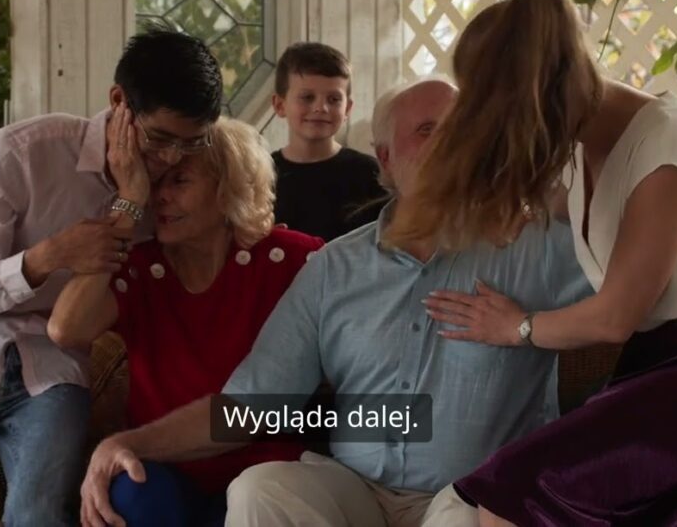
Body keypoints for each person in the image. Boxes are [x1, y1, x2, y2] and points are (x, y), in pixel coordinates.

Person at [77, 75, 598, 527]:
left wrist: (528, 326)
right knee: (260, 489)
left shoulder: (539, 246)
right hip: (356, 492)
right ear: (386, 158)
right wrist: (129, 443)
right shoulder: (334, 268)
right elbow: (252, 408)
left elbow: (638, 287)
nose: (453, 143)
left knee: (471, 514)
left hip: (470, 494)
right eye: (427, 130)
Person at [389, 0, 677, 526]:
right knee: (497, 498)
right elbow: (514, 206)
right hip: (660, 363)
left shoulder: (663, 141)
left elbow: (614, 317)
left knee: (515, 494)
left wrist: (518, 328)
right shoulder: (579, 144)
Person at [0, 27, 223, 526]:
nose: (172, 159)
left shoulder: (170, 195)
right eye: (159, 139)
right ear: (119, 101)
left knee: (40, 516)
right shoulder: (22, 152)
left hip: (53, 367)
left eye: (191, 143)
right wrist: (47, 256)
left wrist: (132, 200)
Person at [48, 116, 323, 527]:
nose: (160, 196)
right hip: (166, 467)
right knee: (130, 491)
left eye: (179, 181)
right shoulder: (140, 268)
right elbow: (65, 329)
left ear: (228, 188)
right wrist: (129, 203)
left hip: (265, 472)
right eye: (154, 183)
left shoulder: (291, 260)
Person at [270, 42, 386, 240]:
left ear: (347, 108)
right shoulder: (260, 176)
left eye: (333, 99)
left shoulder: (372, 175)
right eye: (307, 97)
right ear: (280, 105)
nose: (321, 108)